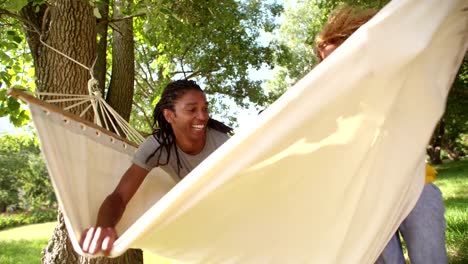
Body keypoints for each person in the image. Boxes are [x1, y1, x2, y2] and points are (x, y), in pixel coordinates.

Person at [314, 6, 448, 264]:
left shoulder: (392, 80)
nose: (336, 65)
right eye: (328, 61)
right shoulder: (326, 104)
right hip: (365, 200)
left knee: (430, 258)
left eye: (341, 55)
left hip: (414, 187)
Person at [79, 79, 232, 255]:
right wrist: (103, 227)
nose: (203, 116)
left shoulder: (222, 142)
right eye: (192, 109)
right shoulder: (157, 147)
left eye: (205, 108)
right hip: (200, 219)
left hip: (229, 206)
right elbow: (119, 197)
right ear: (169, 116)